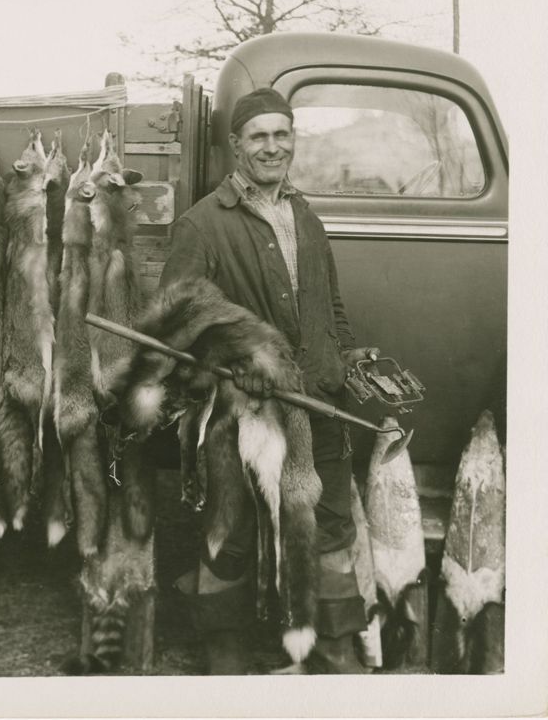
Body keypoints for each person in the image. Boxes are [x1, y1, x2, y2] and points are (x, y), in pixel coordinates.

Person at [159, 87, 378, 675]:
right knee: (228, 532)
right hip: (237, 409)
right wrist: (237, 364)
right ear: (235, 145)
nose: (272, 147)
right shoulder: (202, 225)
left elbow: (330, 308)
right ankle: (223, 657)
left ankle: (332, 650)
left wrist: (346, 358)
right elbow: (176, 327)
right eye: (258, 136)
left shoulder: (305, 217)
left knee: (328, 530)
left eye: (282, 134)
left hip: (314, 402)